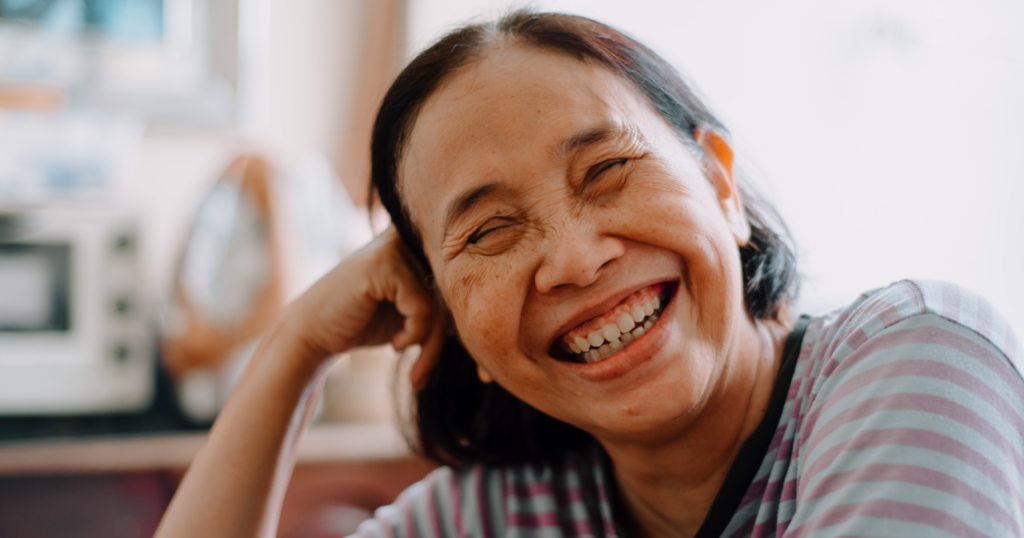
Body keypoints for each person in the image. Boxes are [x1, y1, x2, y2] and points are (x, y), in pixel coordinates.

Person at [155, 10, 1024, 538]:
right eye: (490, 231)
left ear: (720, 185)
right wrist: (295, 348)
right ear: (455, 326)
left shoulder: (919, 357)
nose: (575, 258)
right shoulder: (505, 511)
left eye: (608, 170)